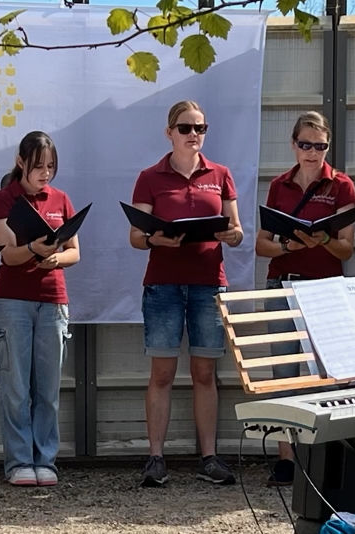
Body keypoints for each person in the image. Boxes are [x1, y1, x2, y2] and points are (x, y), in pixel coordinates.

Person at [128, 100, 244, 488]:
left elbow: (238, 229)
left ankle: (208, 457)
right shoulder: (150, 177)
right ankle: (155, 458)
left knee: (205, 373)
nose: (194, 135)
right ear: (169, 133)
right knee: (161, 373)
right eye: (185, 128)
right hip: (163, 283)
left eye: (200, 128)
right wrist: (154, 237)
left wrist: (232, 234)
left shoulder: (221, 174)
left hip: (209, 282)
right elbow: (135, 237)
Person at [253, 111, 355, 486]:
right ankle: (286, 458)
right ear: (293, 145)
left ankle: (322, 455)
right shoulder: (280, 186)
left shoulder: (342, 186)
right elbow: (261, 245)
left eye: (320, 146)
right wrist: (287, 244)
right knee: (284, 374)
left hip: (325, 287)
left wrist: (325, 240)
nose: (313, 153)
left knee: (326, 373)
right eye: (305, 145)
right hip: (284, 283)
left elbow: (347, 249)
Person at [0, 131, 80, 487]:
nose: (45, 174)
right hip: (12, 301)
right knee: (15, 386)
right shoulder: (3, 199)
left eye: (51, 166)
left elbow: (75, 251)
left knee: (48, 388)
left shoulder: (61, 198)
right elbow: (8, 254)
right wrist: (34, 249)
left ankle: (46, 461)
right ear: (20, 162)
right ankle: (18, 462)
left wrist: (56, 257)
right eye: (38, 166)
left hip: (53, 300)